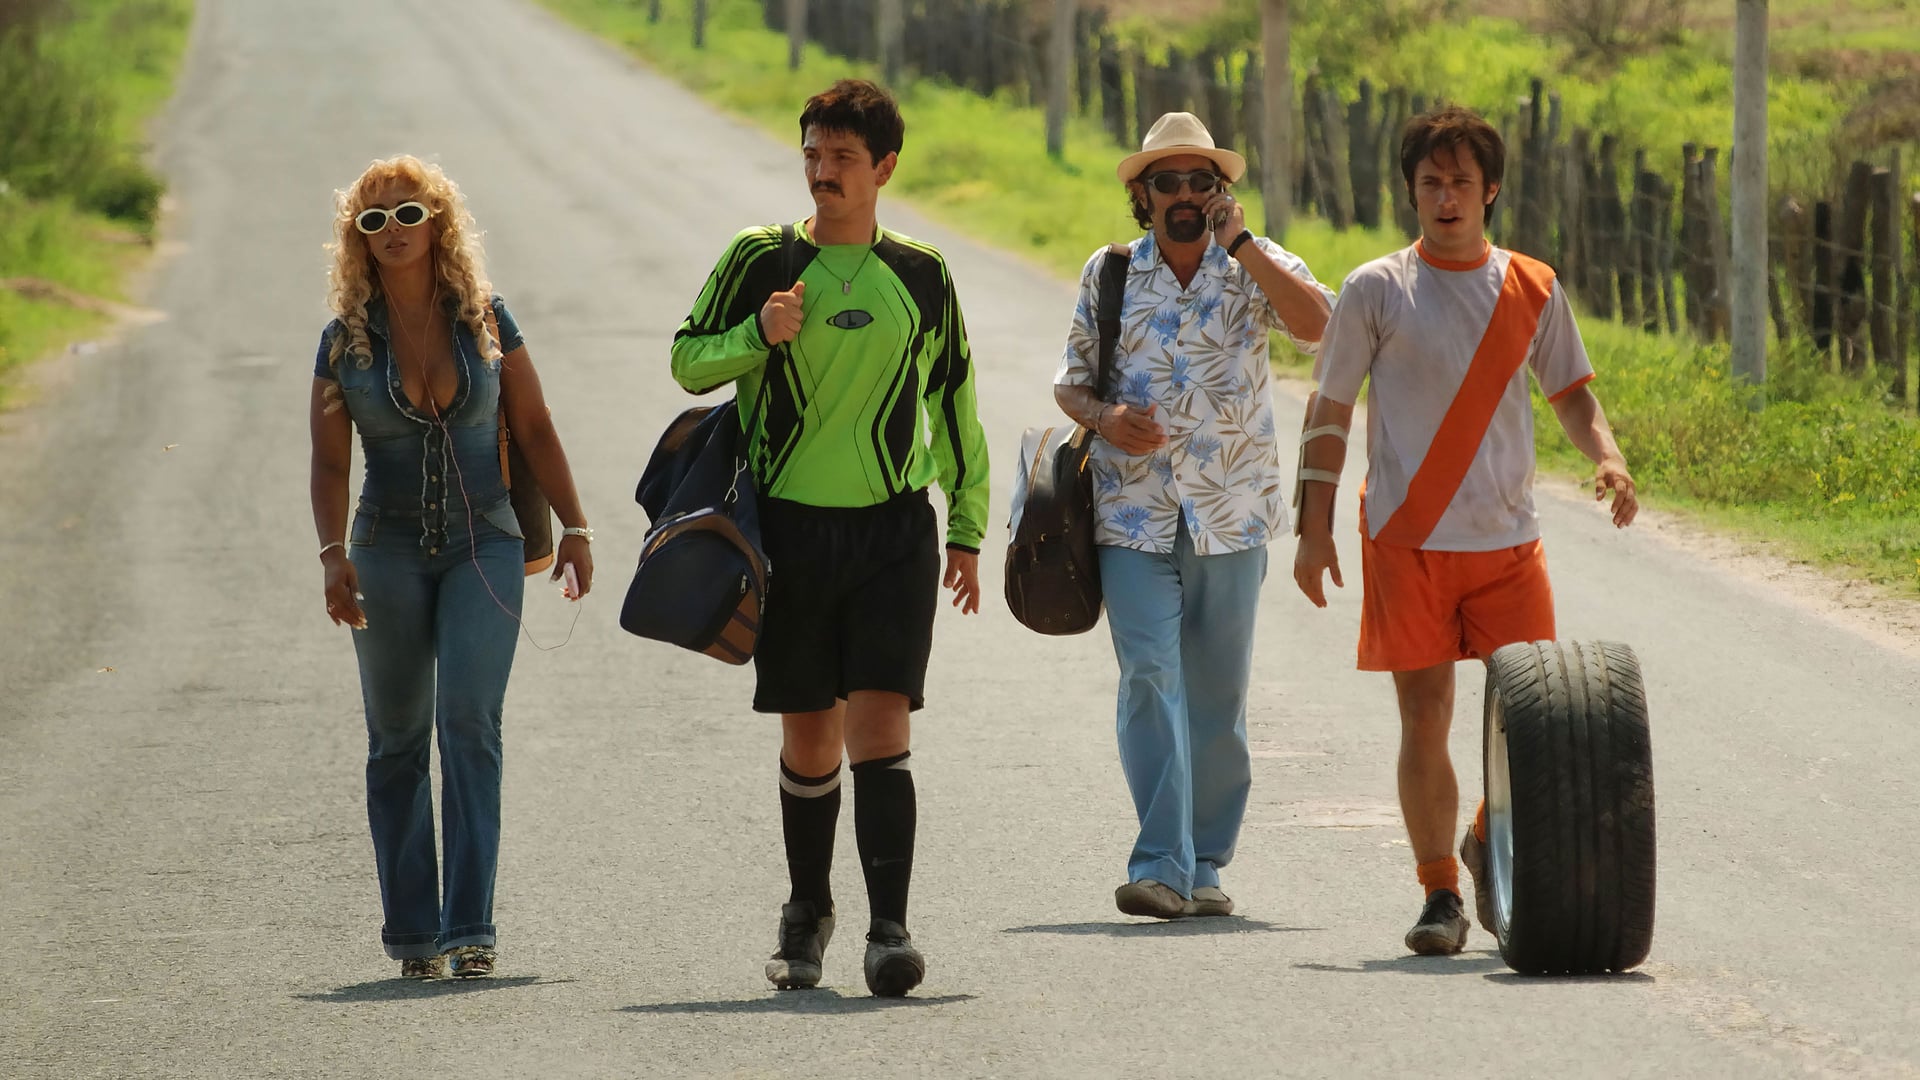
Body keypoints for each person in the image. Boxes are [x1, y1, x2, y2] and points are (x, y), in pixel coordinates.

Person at [1290, 106, 1639, 955]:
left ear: (1492, 192)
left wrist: (1609, 454)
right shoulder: (1377, 287)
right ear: (1411, 190)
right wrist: (1313, 526)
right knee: (1426, 714)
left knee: (1537, 723)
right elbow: (1329, 409)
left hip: (1508, 543)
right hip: (1407, 540)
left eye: (1461, 183)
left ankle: (1486, 835)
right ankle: (1441, 892)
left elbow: (1572, 392)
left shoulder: (1533, 286)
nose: (1446, 198)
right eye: (1430, 183)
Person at [668, 80, 989, 996]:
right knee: (811, 740)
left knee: (881, 729)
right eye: (813, 154)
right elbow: (689, 357)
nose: (823, 173)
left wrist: (966, 527)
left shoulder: (922, 273)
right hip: (791, 533)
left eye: (843, 158)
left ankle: (890, 930)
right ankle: (806, 913)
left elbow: (955, 398)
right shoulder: (759, 257)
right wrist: (758, 334)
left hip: (894, 532)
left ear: (885, 167)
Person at [309, 155, 594, 980]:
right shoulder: (343, 341)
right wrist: (334, 555)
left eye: (408, 213)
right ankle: (413, 937)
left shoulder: (485, 318)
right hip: (385, 547)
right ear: (357, 241)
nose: (392, 230)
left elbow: (534, 428)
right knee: (396, 740)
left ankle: (471, 927)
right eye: (373, 220)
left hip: (487, 545)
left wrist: (575, 526)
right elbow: (329, 467)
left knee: (469, 722)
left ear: (438, 221)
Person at [1052, 112, 1334, 920]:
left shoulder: (1256, 266)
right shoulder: (1108, 273)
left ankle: (1205, 860)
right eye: (1166, 181)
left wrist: (1244, 246)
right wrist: (1104, 420)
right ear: (1142, 194)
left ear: (1221, 193)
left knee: (1215, 694)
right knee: (1148, 674)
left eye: (1199, 181)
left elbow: (1321, 328)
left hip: (1230, 511)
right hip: (1130, 513)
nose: (1183, 195)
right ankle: (1161, 863)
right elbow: (1069, 381)